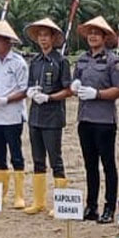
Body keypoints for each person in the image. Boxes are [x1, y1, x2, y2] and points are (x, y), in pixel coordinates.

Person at [72, 16, 119, 224]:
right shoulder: (82, 59)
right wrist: (74, 87)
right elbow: (75, 84)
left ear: (104, 37)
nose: (93, 36)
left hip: (104, 120)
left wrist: (98, 94)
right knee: (89, 165)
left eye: (97, 33)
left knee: (108, 164)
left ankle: (109, 207)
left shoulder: (113, 61)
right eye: (90, 33)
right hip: (84, 119)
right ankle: (91, 206)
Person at [24, 18, 72, 215]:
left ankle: (59, 202)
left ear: (53, 38)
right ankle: (38, 201)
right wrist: (31, 92)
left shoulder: (61, 61)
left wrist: (50, 97)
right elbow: (29, 85)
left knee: (56, 160)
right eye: (40, 36)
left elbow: (68, 90)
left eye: (46, 35)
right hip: (34, 115)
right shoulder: (34, 62)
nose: (43, 39)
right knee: (37, 159)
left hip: (52, 116)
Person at [0, 20, 28, 210]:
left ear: (8, 42)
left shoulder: (18, 63)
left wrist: (7, 100)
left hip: (13, 115)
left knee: (16, 155)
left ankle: (19, 195)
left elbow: (25, 89)